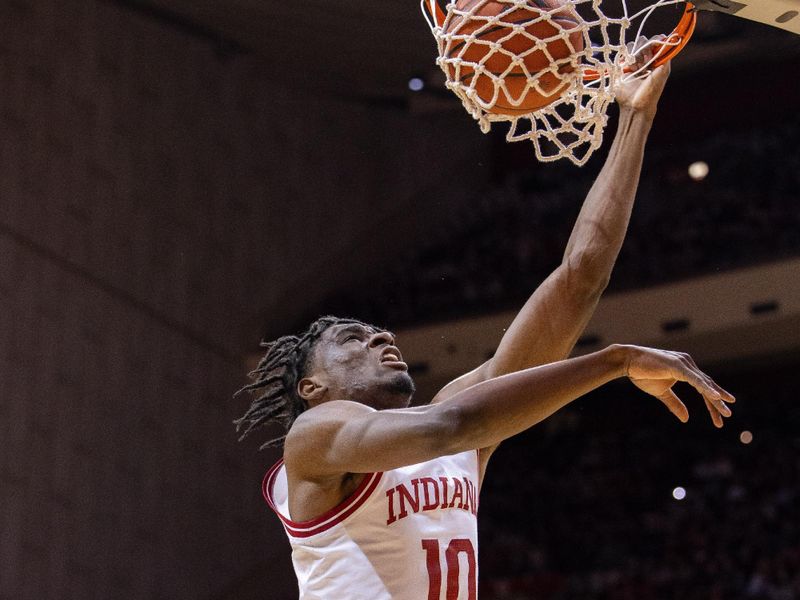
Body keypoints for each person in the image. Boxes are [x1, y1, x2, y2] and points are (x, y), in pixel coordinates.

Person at [234, 51, 735, 600]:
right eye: (352, 338)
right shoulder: (314, 437)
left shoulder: (457, 436)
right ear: (312, 388)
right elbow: (448, 426)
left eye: (378, 331)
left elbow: (579, 278)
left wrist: (637, 118)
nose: (381, 336)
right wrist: (613, 361)